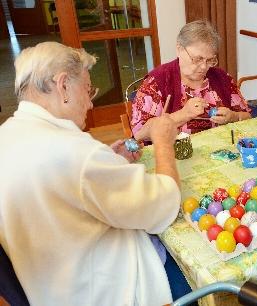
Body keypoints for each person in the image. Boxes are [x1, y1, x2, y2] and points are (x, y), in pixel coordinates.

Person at [0, 42, 190, 305]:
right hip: (105, 289)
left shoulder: (7, 134)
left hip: (49, 288)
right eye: (88, 91)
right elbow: (163, 205)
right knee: (200, 266)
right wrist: (163, 142)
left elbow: (66, 187)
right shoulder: (75, 152)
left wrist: (109, 162)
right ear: (63, 85)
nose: (90, 103)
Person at [131, 20, 251, 136]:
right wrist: (184, 114)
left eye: (210, 60)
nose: (204, 67)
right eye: (197, 59)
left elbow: (248, 117)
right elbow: (140, 133)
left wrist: (233, 117)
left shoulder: (222, 78)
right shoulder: (157, 81)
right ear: (179, 49)